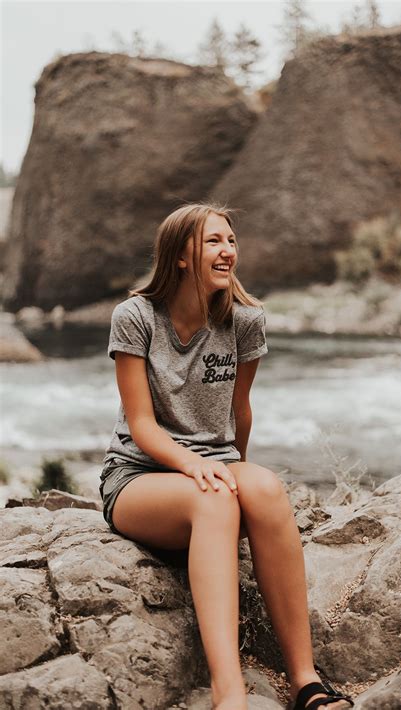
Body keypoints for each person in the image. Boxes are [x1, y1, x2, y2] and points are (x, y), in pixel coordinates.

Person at [99, 202, 354, 710]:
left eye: (231, 241)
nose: (227, 251)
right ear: (181, 256)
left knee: (264, 488)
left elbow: (241, 412)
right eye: (214, 241)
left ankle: (306, 681)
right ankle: (229, 694)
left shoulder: (245, 322)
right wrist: (197, 467)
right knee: (216, 499)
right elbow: (143, 425)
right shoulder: (135, 318)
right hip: (138, 478)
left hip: (212, 467)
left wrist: (242, 476)